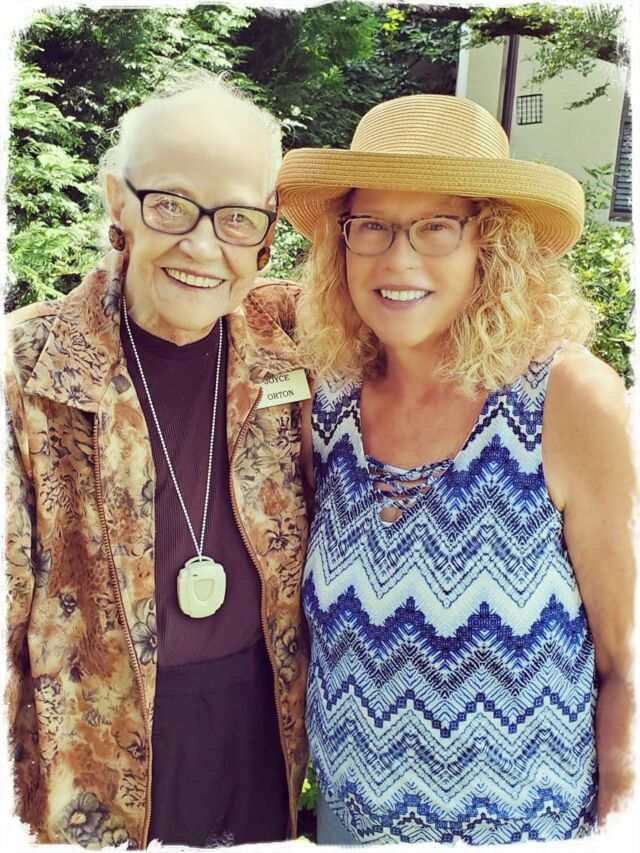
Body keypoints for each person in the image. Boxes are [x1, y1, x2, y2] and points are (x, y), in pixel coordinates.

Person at [277, 94, 635, 845]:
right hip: (344, 826)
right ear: (342, 244)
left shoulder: (565, 400)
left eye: (437, 225)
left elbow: (627, 661)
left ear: (491, 245)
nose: (397, 258)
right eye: (371, 225)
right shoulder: (329, 399)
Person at [5, 71, 310, 848]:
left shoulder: (290, 341)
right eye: (170, 204)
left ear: (266, 232)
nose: (203, 246)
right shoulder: (26, 369)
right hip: (93, 761)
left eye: (236, 217)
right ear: (119, 203)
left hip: (260, 738)